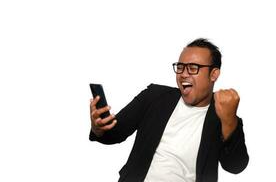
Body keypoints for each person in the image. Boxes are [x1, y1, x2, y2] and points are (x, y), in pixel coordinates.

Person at [89, 38, 249, 182]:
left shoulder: (224, 115)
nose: (183, 74)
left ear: (213, 74)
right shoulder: (154, 96)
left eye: (193, 67)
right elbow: (115, 133)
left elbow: (235, 166)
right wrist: (99, 128)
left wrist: (228, 120)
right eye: (180, 67)